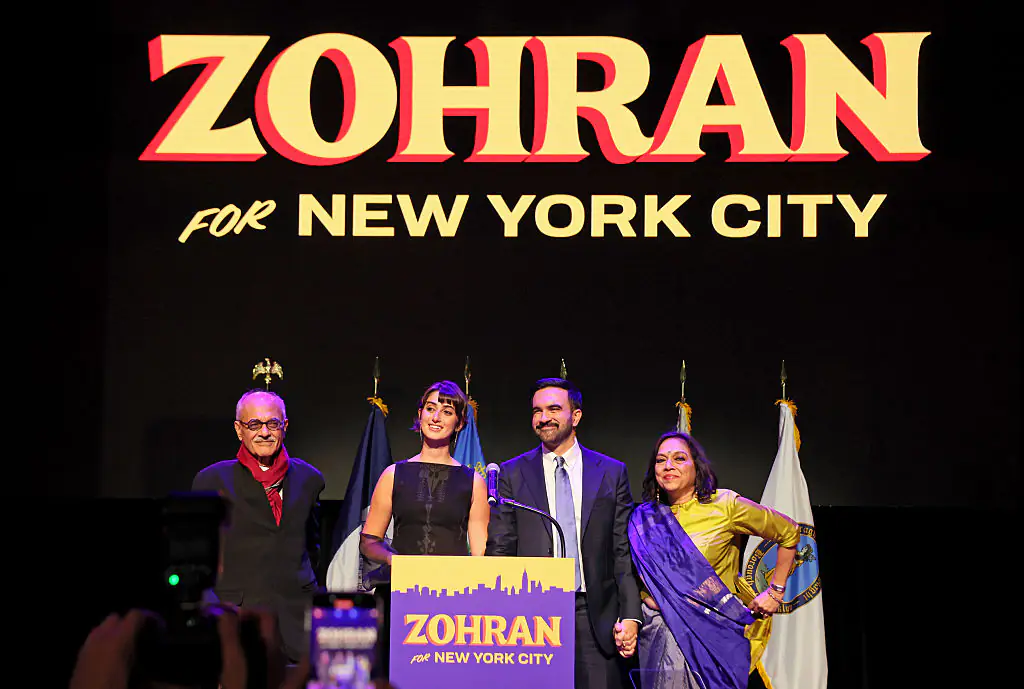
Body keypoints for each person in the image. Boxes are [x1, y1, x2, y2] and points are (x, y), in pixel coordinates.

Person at [487, 378, 641, 689]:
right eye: (536, 411)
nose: (543, 418)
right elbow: (501, 549)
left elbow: (621, 550)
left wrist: (630, 615)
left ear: (576, 415)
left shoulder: (611, 472)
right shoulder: (512, 473)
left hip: (594, 615)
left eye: (554, 409)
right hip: (530, 618)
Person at [628, 431, 800, 689]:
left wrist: (775, 592)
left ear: (696, 466)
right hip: (659, 633)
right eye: (661, 460)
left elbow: (789, 532)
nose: (668, 466)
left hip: (713, 634)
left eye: (679, 458)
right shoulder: (643, 519)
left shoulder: (724, 505)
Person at [359, 380, 491, 675]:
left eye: (446, 411)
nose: (436, 417)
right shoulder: (393, 474)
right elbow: (369, 541)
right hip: (400, 597)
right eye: (430, 409)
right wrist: (397, 561)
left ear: (459, 423)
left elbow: (480, 553)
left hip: (453, 603)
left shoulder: (474, 482)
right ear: (419, 416)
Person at [192, 389, 325, 664]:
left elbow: (312, 548)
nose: (264, 432)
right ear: (239, 430)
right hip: (240, 616)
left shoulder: (310, 479)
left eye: (272, 423)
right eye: (254, 424)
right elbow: (201, 557)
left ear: (284, 426)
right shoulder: (212, 480)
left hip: (297, 618)